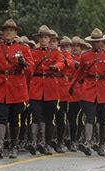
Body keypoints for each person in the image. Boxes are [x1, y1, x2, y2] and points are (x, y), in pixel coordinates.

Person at [0, 19, 35, 159]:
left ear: (15, 33)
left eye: (11, 30)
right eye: (6, 30)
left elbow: (31, 69)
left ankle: (14, 146)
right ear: (2, 33)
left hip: (17, 88)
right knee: (0, 116)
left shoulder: (23, 48)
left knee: (15, 119)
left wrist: (23, 64)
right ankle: (0, 144)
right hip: (1, 87)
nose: (8, 32)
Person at [71, 28, 105, 156]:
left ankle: (102, 145)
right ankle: (88, 142)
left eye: (98, 41)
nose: (96, 43)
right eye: (94, 41)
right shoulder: (85, 55)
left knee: (103, 118)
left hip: (104, 88)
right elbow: (79, 72)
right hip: (89, 88)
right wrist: (72, 86)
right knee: (89, 116)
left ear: (102, 42)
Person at [28, 25, 64, 155]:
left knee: (49, 118)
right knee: (36, 116)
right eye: (41, 37)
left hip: (50, 87)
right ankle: (34, 142)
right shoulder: (33, 53)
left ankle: (46, 143)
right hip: (36, 87)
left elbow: (61, 63)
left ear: (50, 39)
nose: (43, 40)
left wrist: (56, 67)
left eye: (46, 37)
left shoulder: (56, 53)